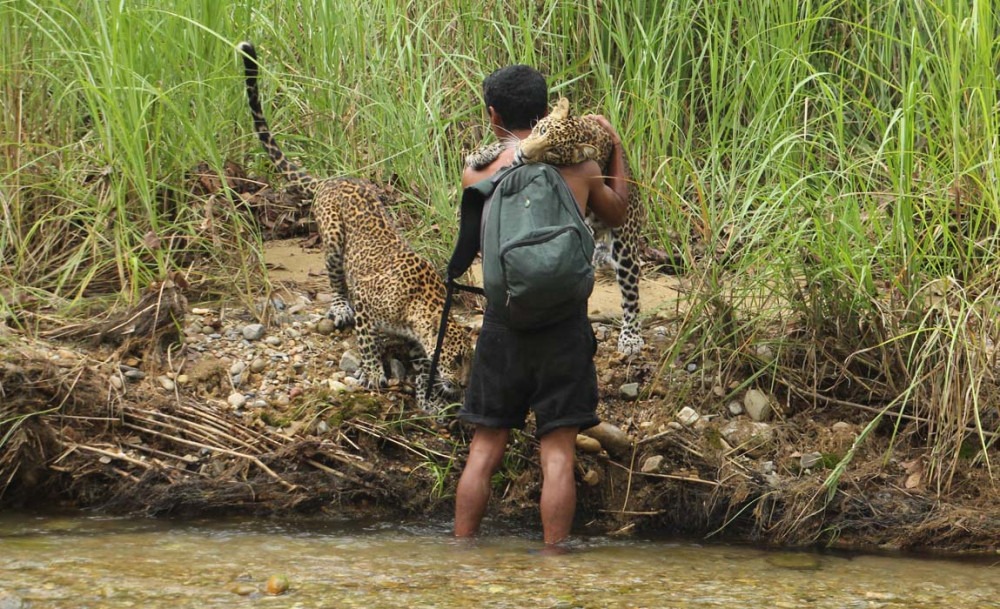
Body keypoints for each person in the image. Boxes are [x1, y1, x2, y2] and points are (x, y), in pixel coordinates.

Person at [453, 64, 629, 549]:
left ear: (493, 115)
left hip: (503, 322)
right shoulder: (581, 167)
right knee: (557, 456)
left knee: (484, 450)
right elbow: (618, 211)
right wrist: (615, 149)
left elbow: (470, 244)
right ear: (546, 109)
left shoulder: (478, 171)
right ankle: (554, 571)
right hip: (563, 327)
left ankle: (461, 556)